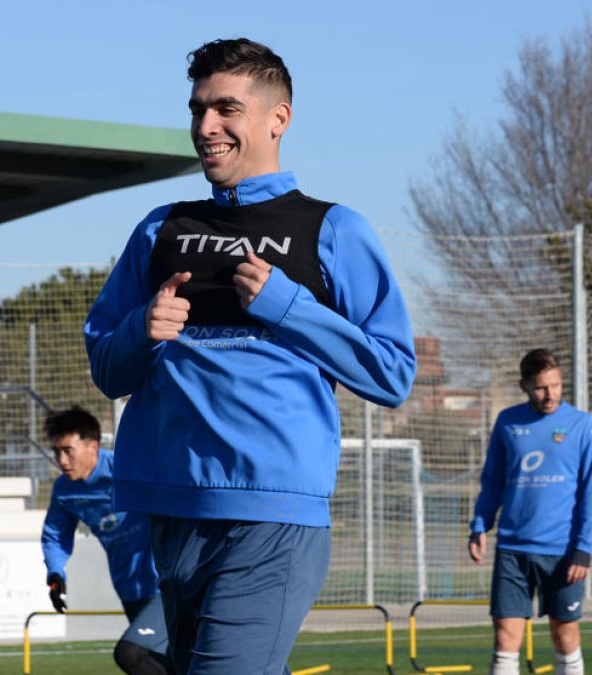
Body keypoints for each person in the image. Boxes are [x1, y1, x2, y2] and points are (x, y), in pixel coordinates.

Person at [83, 37, 416, 674]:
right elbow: (107, 366)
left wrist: (290, 307)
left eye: (226, 109)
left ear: (277, 119)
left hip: (270, 517)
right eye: (197, 110)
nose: (205, 127)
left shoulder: (334, 230)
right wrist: (140, 330)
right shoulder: (161, 228)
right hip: (173, 512)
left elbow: (393, 372)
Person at [468, 348, 592, 675]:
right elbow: (493, 480)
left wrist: (584, 549)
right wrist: (479, 525)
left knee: (565, 634)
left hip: (563, 553)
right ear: (524, 386)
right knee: (505, 636)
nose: (551, 394)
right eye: (542, 387)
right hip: (512, 549)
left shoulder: (583, 425)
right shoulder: (508, 422)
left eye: (556, 385)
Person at [40, 406, 172, 675]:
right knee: (168, 665)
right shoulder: (65, 491)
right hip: (128, 588)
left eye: (68, 451)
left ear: (93, 447)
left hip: (164, 586)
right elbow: (55, 536)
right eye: (57, 452)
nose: (62, 461)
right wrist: (55, 572)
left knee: (130, 653)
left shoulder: (128, 468)